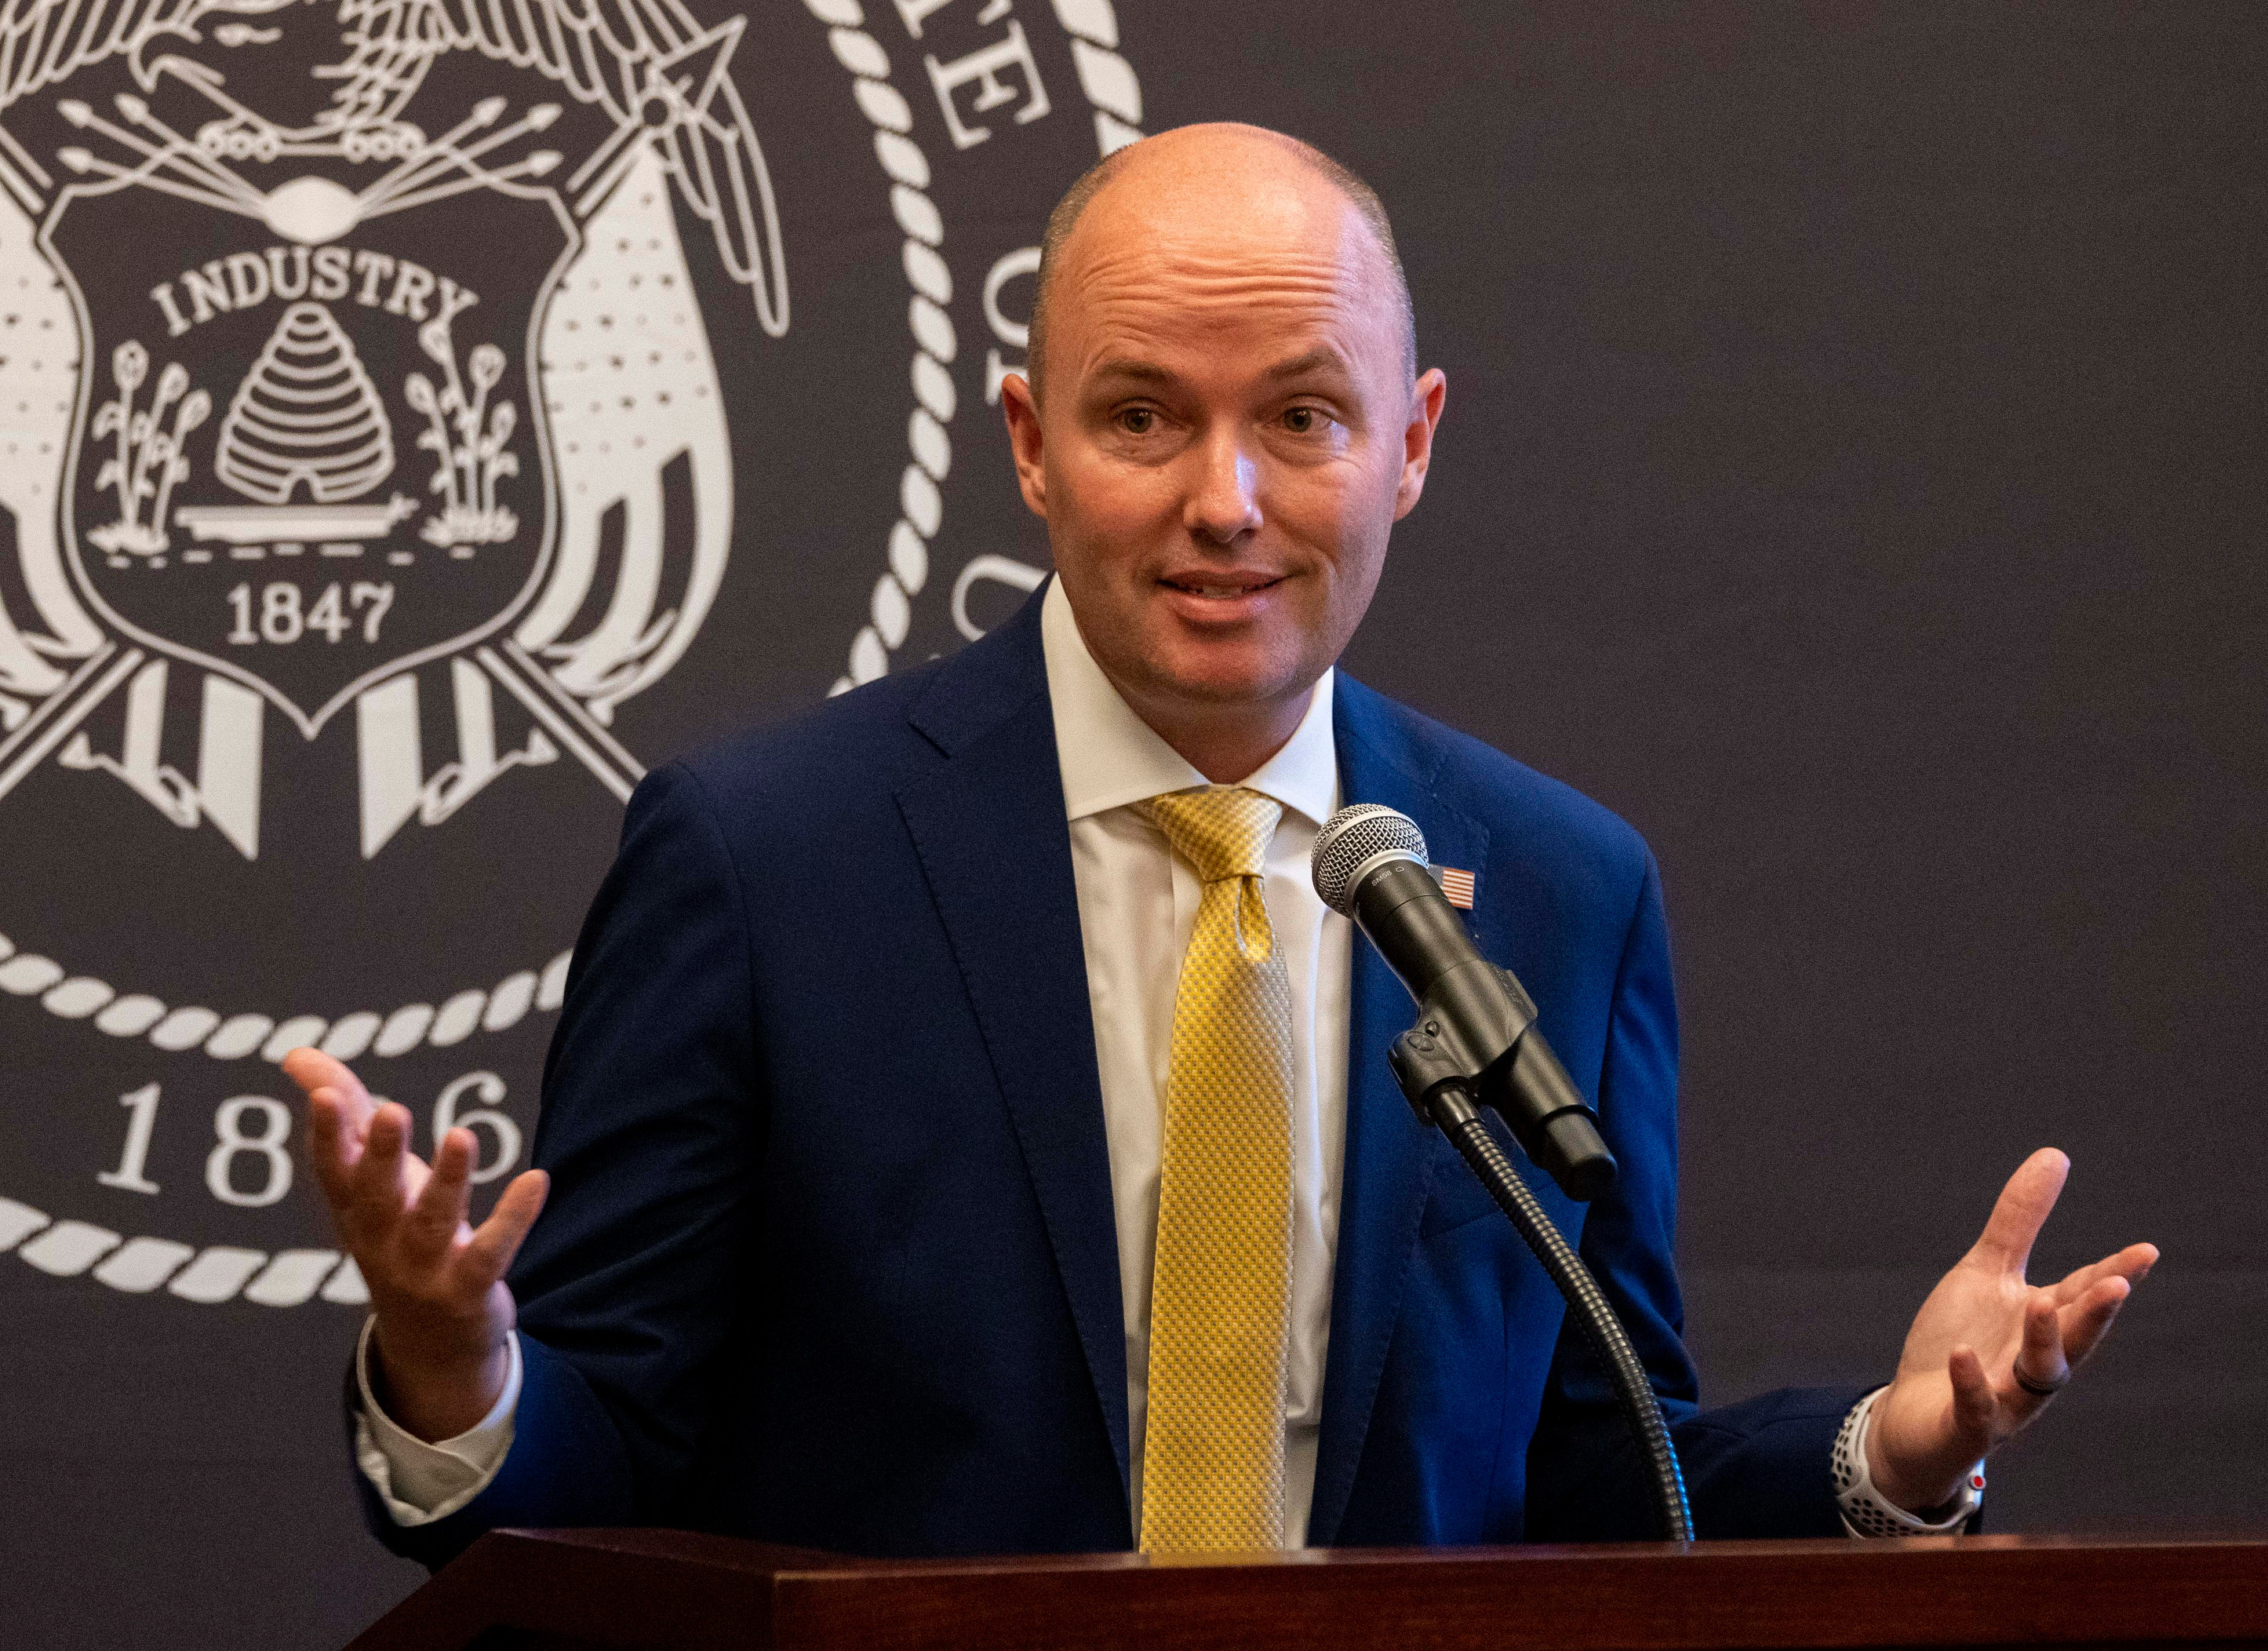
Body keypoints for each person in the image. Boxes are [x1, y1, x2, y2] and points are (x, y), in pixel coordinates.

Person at [286, 124, 2156, 1565]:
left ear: (1411, 443)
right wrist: (463, 1369)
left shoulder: (1565, 884)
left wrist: (1897, 1448)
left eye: (1305, 418)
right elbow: (604, 1461)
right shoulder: (764, 861)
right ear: (1028, 442)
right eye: (1140, 417)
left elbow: (1598, 1474)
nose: (1225, 502)